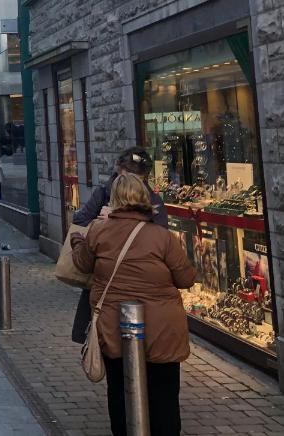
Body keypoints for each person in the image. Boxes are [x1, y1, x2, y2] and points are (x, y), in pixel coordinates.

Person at [71, 173, 195, 436]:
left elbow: (82, 265)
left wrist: (77, 241)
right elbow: (186, 279)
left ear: (114, 199)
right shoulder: (162, 237)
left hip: (114, 326)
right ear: (144, 199)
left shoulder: (99, 231)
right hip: (163, 330)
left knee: (119, 390)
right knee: (164, 395)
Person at [71, 146, 169, 343]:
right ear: (118, 172)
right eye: (125, 176)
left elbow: (163, 241)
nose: (129, 183)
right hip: (107, 284)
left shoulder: (154, 202)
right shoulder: (104, 193)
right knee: (108, 341)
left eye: (136, 178)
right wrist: (101, 223)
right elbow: (80, 222)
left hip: (141, 285)